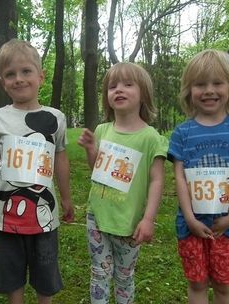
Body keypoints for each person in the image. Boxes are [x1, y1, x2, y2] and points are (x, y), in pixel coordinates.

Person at [0, 38, 75, 304]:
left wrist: (66, 198)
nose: (19, 79)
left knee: (45, 271)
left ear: (41, 77)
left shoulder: (56, 118)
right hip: (6, 214)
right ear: (2, 81)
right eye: (10, 74)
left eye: (26, 71)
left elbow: (61, 160)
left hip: (44, 214)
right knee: (11, 271)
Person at [167, 49, 229, 304]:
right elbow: (180, 179)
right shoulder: (182, 134)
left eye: (217, 83)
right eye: (200, 84)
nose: (209, 90)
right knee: (197, 284)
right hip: (191, 225)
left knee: (223, 286)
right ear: (189, 90)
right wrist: (189, 218)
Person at [78, 62, 167, 304]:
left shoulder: (150, 138)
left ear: (143, 95)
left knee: (124, 276)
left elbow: (157, 180)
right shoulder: (102, 130)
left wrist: (148, 219)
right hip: (97, 215)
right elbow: (97, 169)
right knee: (99, 272)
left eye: (128, 84)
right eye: (112, 86)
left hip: (129, 222)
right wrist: (90, 149)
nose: (119, 89)